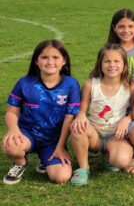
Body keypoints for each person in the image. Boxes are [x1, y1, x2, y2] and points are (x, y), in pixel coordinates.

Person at [2, 40, 80, 185]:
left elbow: (70, 117)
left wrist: (60, 147)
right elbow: (11, 113)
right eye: (44, 57)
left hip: (53, 140)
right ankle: (20, 163)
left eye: (56, 57)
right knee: (11, 146)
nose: (50, 61)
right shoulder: (25, 83)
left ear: (64, 61)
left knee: (61, 177)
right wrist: (14, 130)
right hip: (27, 134)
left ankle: (45, 159)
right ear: (36, 61)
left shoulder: (71, 84)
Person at [69, 44, 134, 185]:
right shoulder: (91, 85)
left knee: (122, 161)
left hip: (116, 135)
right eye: (107, 61)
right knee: (77, 126)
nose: (112, 65)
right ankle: (83, 168)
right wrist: (81, 115)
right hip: (95, 135)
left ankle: (109, 155)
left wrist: (127, 119)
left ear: (124, 64)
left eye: (117, 61)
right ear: (100, 64)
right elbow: (81, 109)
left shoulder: (130, 86)